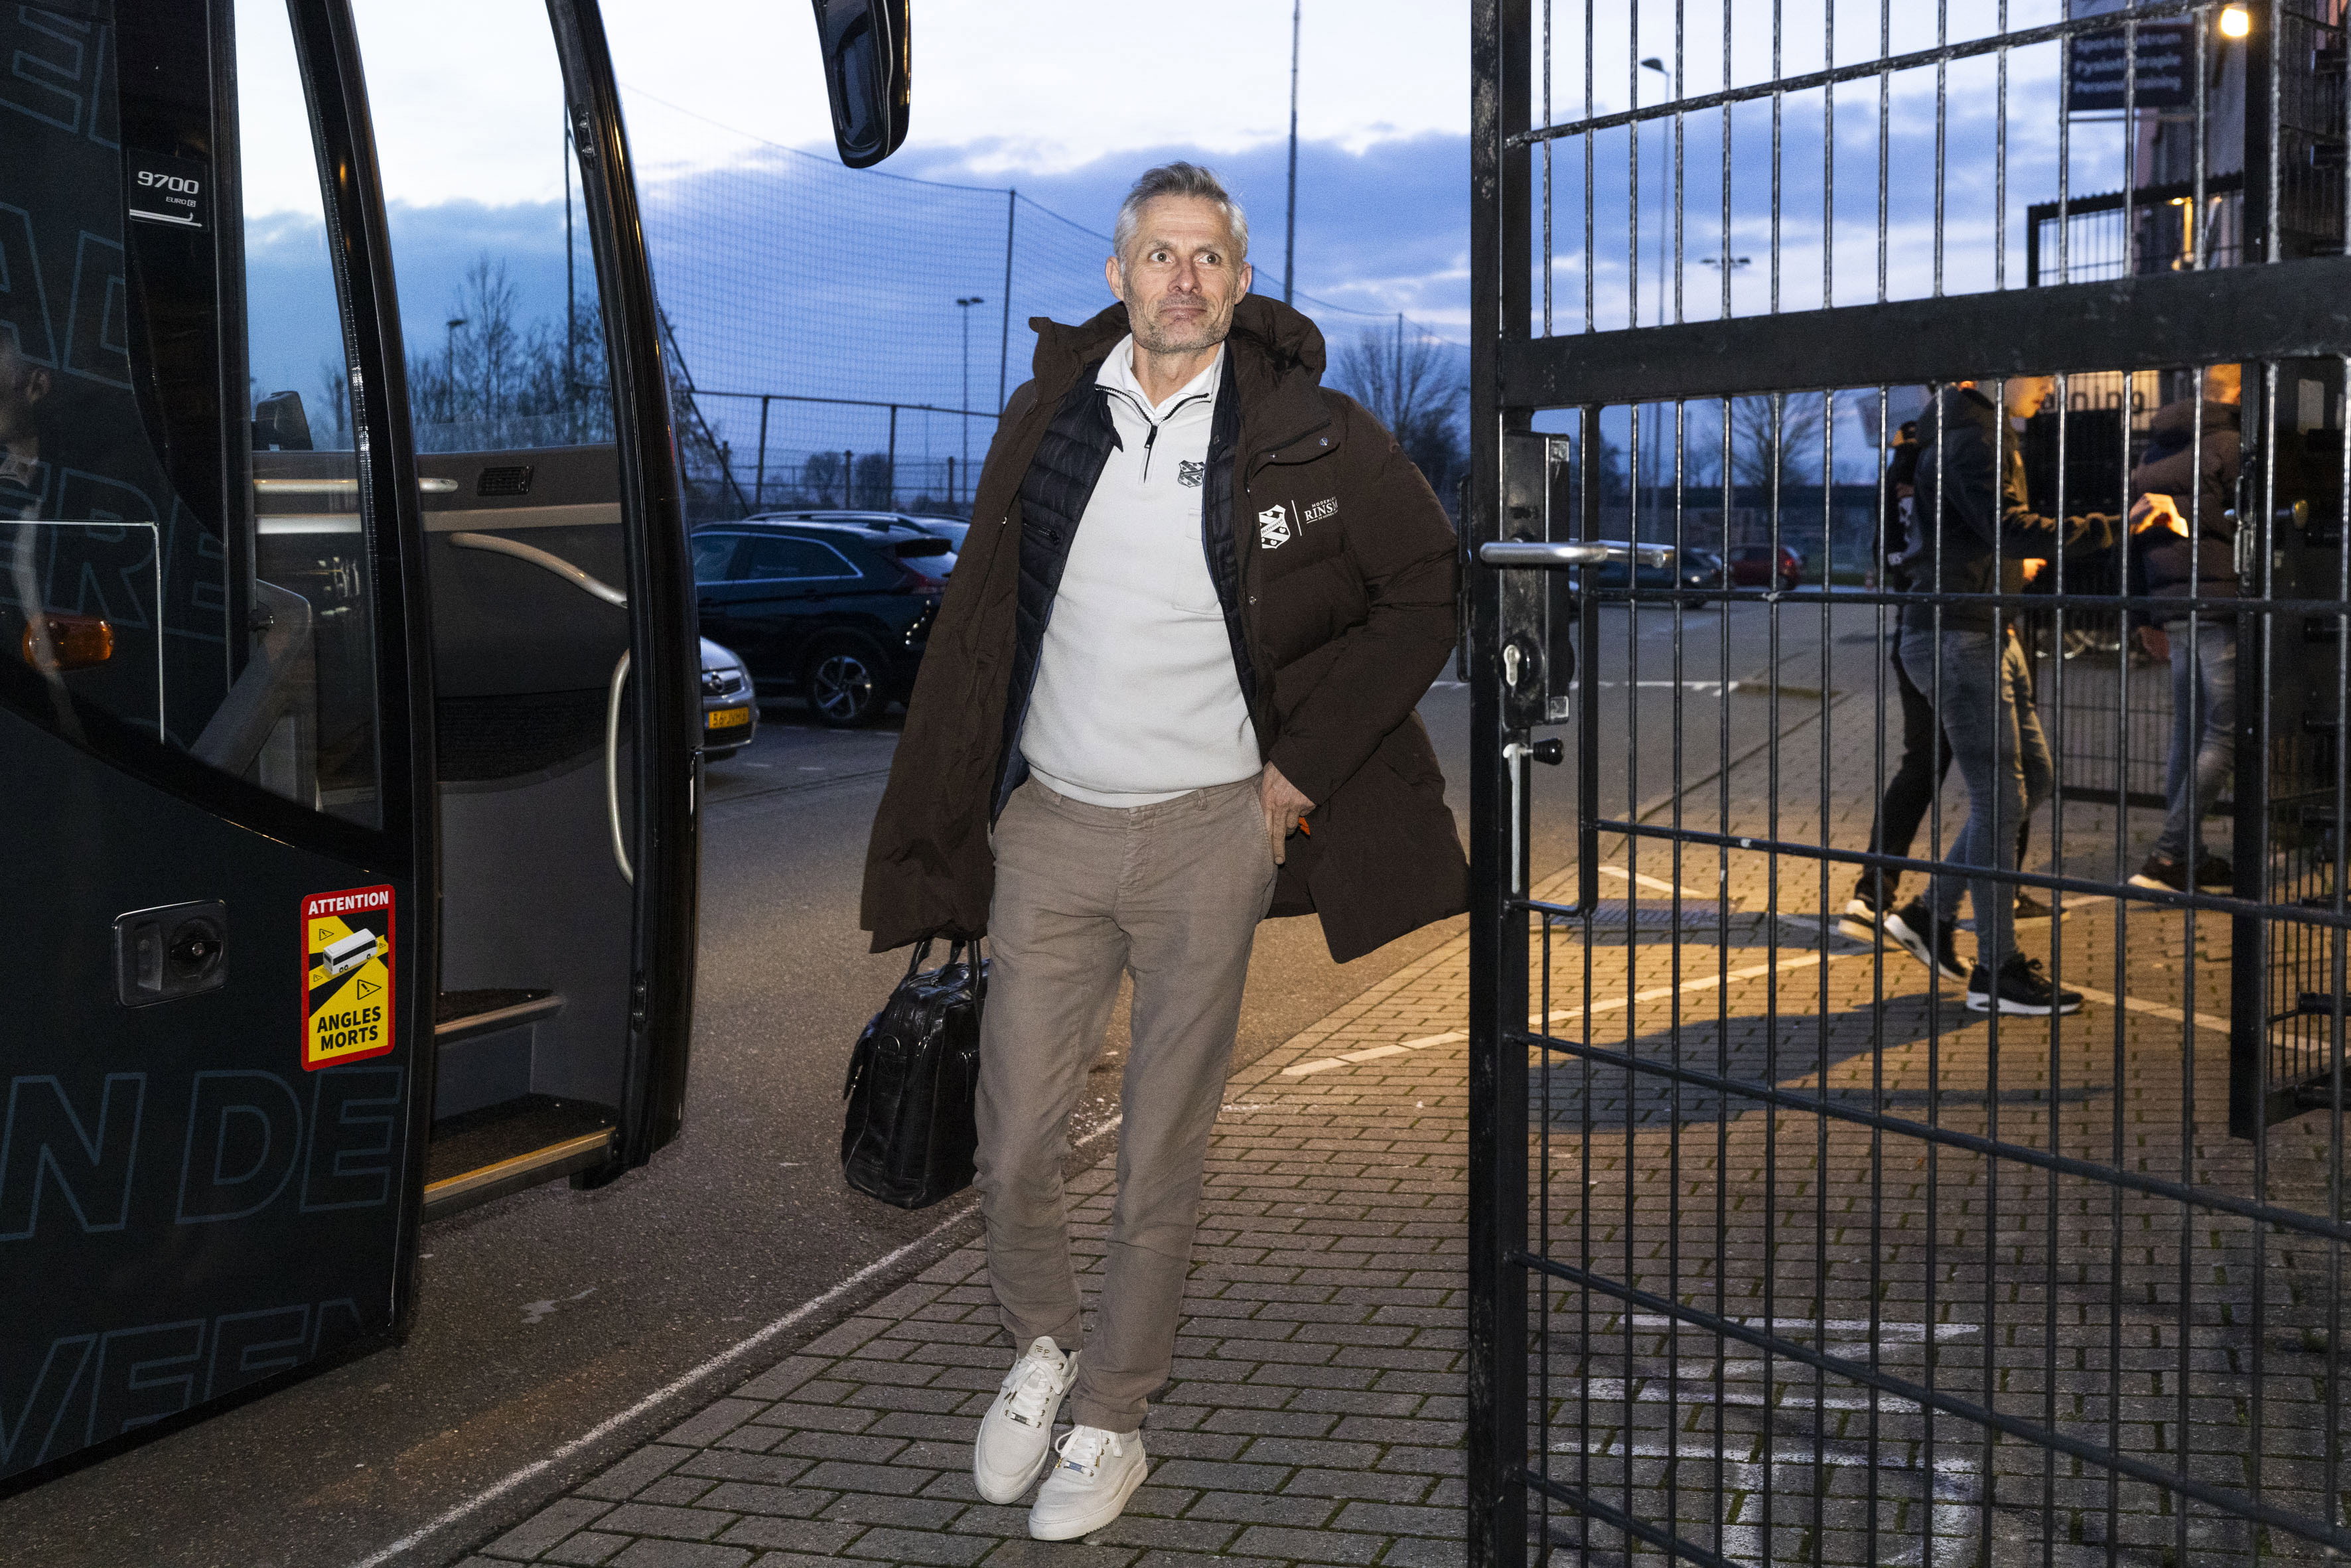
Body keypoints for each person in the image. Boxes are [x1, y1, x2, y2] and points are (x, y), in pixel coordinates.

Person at [859, 163, 1465, 1541]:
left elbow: (1426, 584)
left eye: (1206, 256)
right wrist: (969, 798)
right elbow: (979, 622)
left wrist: (1299, 764)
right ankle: (1041, 1341)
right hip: (1054, 830)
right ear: (1120, 275)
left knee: (1157, 1157)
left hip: (1208, 834)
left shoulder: (1310, 432)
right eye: (1155, 254)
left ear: (1239, 282)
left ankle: (1115, 1412)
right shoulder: (1050, 418)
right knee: (1010, 1142)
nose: (1181, 278)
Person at [1883, 375, 2118, 1014]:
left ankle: (1930, 915)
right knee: (2000, 796)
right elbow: (2007, 528)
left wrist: (2012, 570)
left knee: (2032, 778)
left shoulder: (1982, 434)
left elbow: (1982, 537)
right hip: (1957, 636)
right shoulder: (1970, 438)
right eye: (2039, 374)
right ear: (1999, 376)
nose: (2048, 386)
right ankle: (1997, 969)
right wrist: (2112, 527)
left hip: (1987, 627)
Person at [1840, 419, 2050, 942]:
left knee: (1950, 763)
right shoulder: (1953, 461)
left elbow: (1886, 554)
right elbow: (1918, 552)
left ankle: (1879, 891)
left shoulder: (1912, 472)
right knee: (1999, 772)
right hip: (1954, 629)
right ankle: (1953, 891)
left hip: (1932, 626)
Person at [2123, 362, 2242, 896]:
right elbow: (2250, 523)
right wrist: (2193, 518)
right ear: (2239, 388)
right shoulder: (2230, 443)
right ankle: (2169, 856)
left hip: (2171, 602)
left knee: (2188, 731)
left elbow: (2130, 533)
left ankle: (2189, 856)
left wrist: (2143, 615)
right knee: (2226, 730)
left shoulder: (2154, 449)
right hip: (2218, 600)